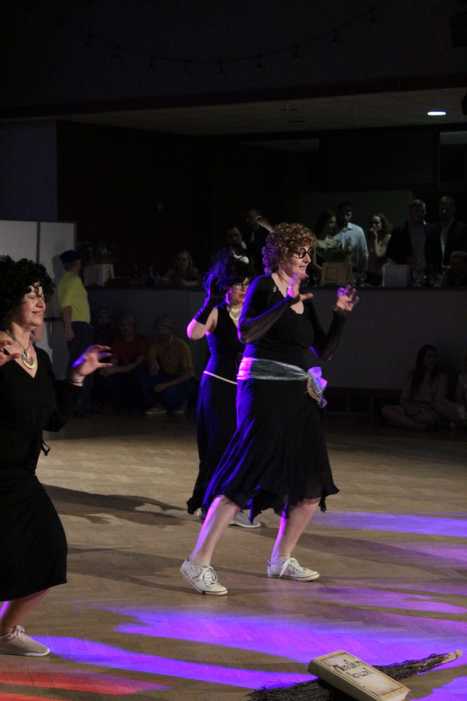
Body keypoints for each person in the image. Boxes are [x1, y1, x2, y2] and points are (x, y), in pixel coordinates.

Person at [180, 223, 358, 595]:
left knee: (310, 482)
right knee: (243, 473)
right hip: (263, 392)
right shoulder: (263, 287)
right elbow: (246, 332)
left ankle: (281, 559)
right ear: (280, 255)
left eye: (309, 252)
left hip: (299, 393)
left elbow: (323, 350)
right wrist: (283, 304)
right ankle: (197, 561)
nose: (307, 258)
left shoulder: (303, 297)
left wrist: (341, 315)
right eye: (299, 252)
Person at [0, 256, 110, 657]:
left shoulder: (40, 359)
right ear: (8, 298)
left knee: (49, 551)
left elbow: (55, 419)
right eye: (29, 293)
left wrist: (77, 376)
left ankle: (6, 631)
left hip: (19, 475)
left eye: (41, 293)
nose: (40, 301)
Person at [186, 256, 259, 528]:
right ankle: (210, 504)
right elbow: (193, 333)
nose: (244, 289)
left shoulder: (252, 312)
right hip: (217, 387)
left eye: (247, 284)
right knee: (217, 448)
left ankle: (216, 503)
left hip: (244, 390)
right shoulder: (217, 310)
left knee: (241, 448)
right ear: (226, 286)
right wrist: (209, 301)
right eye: (239, 284)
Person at [381, 345, 457, 431]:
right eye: (429, 356)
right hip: (411, 408)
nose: (433, 359)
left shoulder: (441, 377)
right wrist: (410, 409)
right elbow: (403, 398)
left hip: (428, 410)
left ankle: (402, 423)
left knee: (429, 418)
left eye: (435, 357)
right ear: (422, 358)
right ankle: (418, 426)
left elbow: (438, 401)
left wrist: (421, 409)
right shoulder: (413, 375)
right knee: (385, 410)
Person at [57, 249, 94, 415]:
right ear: (77, 263)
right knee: (81, 365)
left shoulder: (66, 280)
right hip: (79, 326)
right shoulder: (73, 280)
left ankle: (76, 404)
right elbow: (66, 306)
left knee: (78, 364)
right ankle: (79, 405)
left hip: (77, 326)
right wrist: (68, 327)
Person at [97, 313, 149, 414]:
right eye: (122, 325)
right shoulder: (118, 341)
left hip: (137, 372)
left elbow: (137, 364)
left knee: (138, 374)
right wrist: (107, 369)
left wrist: (116, 369)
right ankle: (112, 405)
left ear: (134, 327)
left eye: (128, 325)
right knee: (105, 375)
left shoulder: (141, 341)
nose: (125, 328)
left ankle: (141, 406)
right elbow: (114, 361)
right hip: (123, 372)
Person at [146, 316, 196, 415]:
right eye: (159, 328)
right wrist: (153, 363)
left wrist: (166, 385)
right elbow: (152, 362)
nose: (161, 331)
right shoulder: (156, 344)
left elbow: (189, 374)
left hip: (181, 380)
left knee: (172, 393)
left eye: (164, 327)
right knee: (147, 382)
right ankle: (160, 405)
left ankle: (182, 404)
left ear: (171, 329)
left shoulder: (181, 346)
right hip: (166, 376)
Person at [386, 199, 429, 283]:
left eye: (422, 211)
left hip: (426, 275)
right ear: (410, 212)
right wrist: (405, 259)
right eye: (416, 211)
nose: (420, 214)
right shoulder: (399, 231)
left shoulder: (430, 230)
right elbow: (390, 254)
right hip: (405, 275)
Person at [425, 195, 467, 277]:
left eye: (447, 208)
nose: (444, 211)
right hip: (436, 274)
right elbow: (428, 251)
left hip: (456, 274)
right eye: (441, 208)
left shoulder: (462, 229)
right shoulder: (432, 229)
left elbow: (463, 252)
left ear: (453, 209)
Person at [334, 201, 368, 280]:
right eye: (342, 213)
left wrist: (362, 273)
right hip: (334, 272)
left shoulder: (358, 231)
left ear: (351, 214)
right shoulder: (332, 230)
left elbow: (364, 254)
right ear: (338, 213)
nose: (345, 216)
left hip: (353, 273)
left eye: (348, 213)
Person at [366, 213, 391, 286]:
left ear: (382, 224)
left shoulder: (387, 238)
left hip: (381, 276)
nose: (373, 225)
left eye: (376, 223)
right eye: (372, 223)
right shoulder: (371, 237)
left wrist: (375, 238)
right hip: (370, 274)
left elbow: (378, 255)